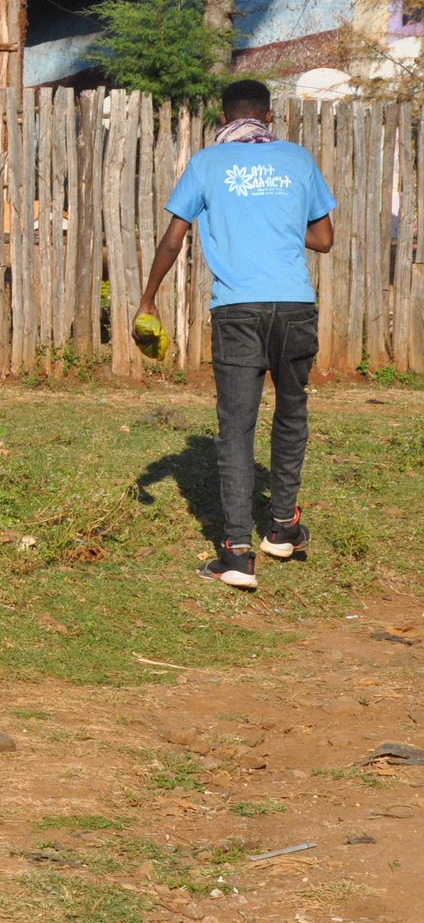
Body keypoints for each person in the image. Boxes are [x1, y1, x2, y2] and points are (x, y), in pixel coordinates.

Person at [137, 77, 335, 590]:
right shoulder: (297, 159)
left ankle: (236, 554)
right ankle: (284, 528)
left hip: (238, 310)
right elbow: (324, 238)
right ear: (268, 116)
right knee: (292, 412)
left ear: (224, 118)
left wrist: (147, 298)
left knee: (237, 427)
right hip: (294, 306)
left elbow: (172, 238)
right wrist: (279, 223)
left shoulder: (206, 163)